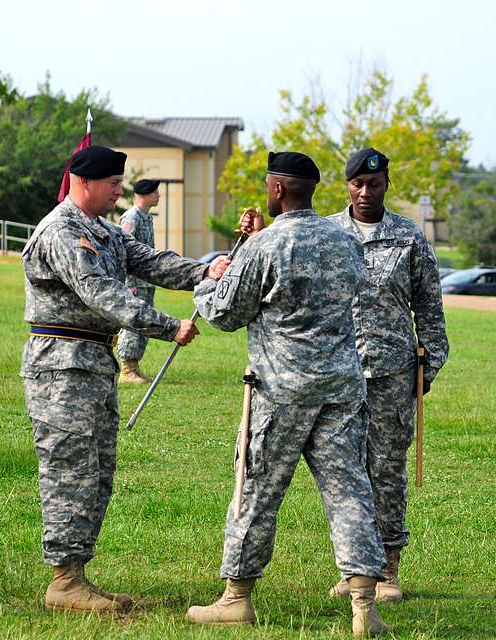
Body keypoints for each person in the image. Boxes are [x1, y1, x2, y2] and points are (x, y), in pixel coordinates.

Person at [187, 151, 389, 637]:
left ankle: (237, 597)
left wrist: (205, 286)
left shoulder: (264, 247)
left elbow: (225, 314)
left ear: (276, 190)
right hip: (341, 386)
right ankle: (365, 605)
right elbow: (356, 290)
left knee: (255, 489)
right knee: (350, 492)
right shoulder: (346, 241)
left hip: (281, 390)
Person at [21, 145, 228, 612]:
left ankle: (77, 577)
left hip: (95, 363)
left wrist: (204, 270)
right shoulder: (61, 231)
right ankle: (63, 581)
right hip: (62, 367)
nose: (120, 190)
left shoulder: (105, 231)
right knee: (68, 470)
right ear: (84, 182)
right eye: (113, 183)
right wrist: (167, 326)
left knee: (97, 473)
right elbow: (102, 295)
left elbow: (152, 262)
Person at [325, 148, 449, 602]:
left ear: (386, 185)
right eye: (356, 184)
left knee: (386, 470)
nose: (364, 192)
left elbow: (430, 308)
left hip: (392, 374)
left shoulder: (409, 238)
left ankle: (388, 569)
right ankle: (354, 568)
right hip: (337, 372)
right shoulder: (329, 233)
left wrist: (429, 365)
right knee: (344, 473)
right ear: (347, 186)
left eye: (373, 185)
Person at [117, 178, 160, 384]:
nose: (158, 195)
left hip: (145, 281)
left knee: (144, 321)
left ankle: (134, 365)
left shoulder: (146, 217)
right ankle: (126, 369)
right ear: (144, 194)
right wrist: (128, 283)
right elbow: (122, 250)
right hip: (134, 282)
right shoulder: (131, 218)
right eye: (155, 192)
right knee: (133, 321)